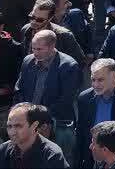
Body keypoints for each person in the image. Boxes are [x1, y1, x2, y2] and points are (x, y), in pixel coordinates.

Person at [14, 29, 81, 159]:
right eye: (33, 48)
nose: (35, 53)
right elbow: (19, 88)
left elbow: (65, 100)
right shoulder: (28, 61)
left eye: (39, 49)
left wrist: (40, 119)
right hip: (28, 122)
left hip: (54, 124)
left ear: (52, 47)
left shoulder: (68, 66)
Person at [0, 102, 68, 169]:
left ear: (34, 126)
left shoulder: (52, 155)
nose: (12, 132)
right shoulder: (3, 151)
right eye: (9, 126)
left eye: (18, 126)